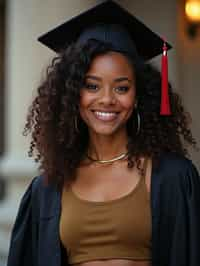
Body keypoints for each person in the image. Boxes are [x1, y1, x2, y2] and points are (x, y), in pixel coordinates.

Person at [7, 1, 200, 266]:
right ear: (73, 94)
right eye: (91, 86)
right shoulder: (48, 188)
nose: (107, 99)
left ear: (138, 95)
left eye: (122, 88)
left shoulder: (174, 179)